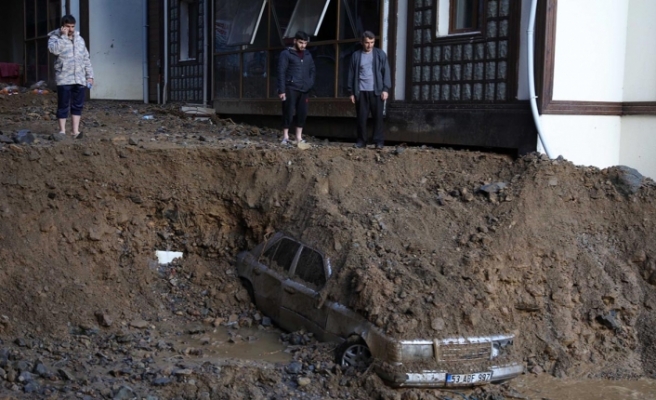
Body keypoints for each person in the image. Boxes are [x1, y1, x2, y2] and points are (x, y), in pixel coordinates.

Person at [48, 14, 94, 139]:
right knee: (63, 105)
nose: (71, 29)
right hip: (64, 78)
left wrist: (90, 76)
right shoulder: (54, 38)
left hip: (79, 78)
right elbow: (54, 50)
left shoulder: (80, 40)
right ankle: (62, 131)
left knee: (77, 105)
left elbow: (86, 58)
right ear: (63, 26)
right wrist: (63, 37)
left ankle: (75, 131)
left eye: (72, 26)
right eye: (68, 26)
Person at [347, 31, 391, 149]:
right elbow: (351, 74)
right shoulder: (356, 55)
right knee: (361, 118)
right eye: (367, 42)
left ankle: (379, 141)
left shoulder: (380, 54)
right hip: (361, 91)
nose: (369, 45)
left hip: (376, 91)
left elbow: (386, 72)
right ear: (362, 42)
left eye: (372, 42)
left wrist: (386, 89)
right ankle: (361, 141)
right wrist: (351, 92)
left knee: (378, 117)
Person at [277, 31, 315, 145]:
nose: (303, 45)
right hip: (290, 88)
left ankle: (298, 137)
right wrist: (281, 90)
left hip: (304, 89)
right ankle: (285, 137)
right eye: (300, 42)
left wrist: (309, 83)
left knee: (302, 112)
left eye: (305, 43)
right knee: (288, 111)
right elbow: (281, 72)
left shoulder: (308, 55)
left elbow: (312, 70)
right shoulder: (286, 54)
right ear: (295, 41)